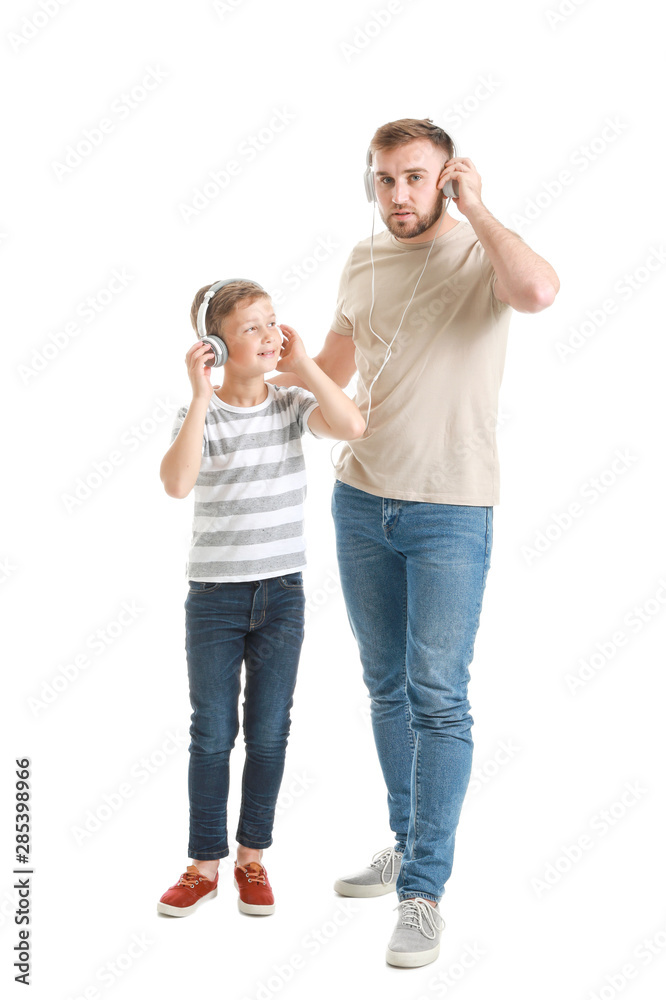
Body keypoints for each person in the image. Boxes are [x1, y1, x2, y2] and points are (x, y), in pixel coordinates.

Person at [271, 118, 560, 967]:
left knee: (440, 697)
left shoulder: (483, 253)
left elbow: (541, 293)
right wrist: (285, 382)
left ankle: (424, 891)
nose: (398, 194)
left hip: (449, 509)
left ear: (448, 178)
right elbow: (332, 378)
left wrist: (482, 207)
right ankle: (405, 838)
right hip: (361, 502)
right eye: (384, 178)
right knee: (385, 687)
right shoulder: (362, 262)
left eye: (414, 177)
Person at [157, 279, 364, 919]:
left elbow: (353, 424)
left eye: (273, 321)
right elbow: (177, 483)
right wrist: (198, 396)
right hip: (215, 599)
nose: (270, 334)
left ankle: (253, 858)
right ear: (215, 346)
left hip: (282, 595)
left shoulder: (290, 403)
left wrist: (304, 366)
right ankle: (202, 865)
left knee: (269, 733)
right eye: (252, 327)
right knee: (212, 734)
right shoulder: (202, 412)